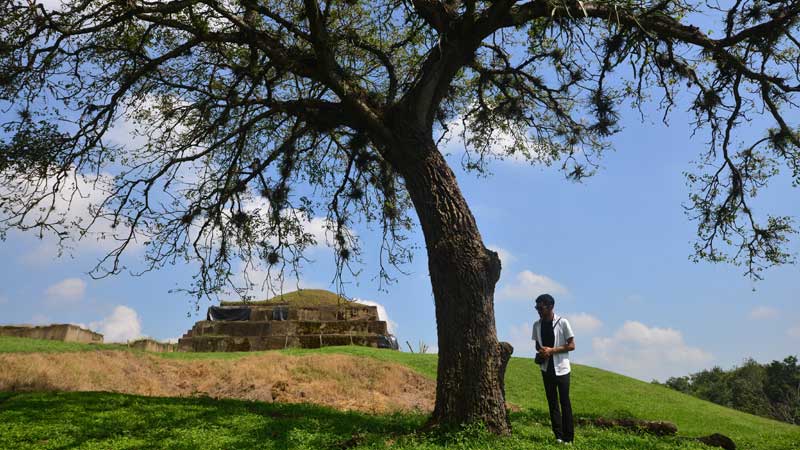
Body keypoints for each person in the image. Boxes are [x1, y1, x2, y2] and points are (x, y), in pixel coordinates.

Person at [532, 293, 575, 444]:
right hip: (546, 368)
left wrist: (552, 350)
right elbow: (537, 344)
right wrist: (542, 350)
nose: (538, 309)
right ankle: (558, 436)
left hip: (562, 369)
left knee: (565, 402)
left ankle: (568, 438)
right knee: (552, 402)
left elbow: (571, 345)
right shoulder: (536, 325)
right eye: (536, 307)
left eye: (540, 307)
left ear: (550, 307)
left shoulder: (563, 322)